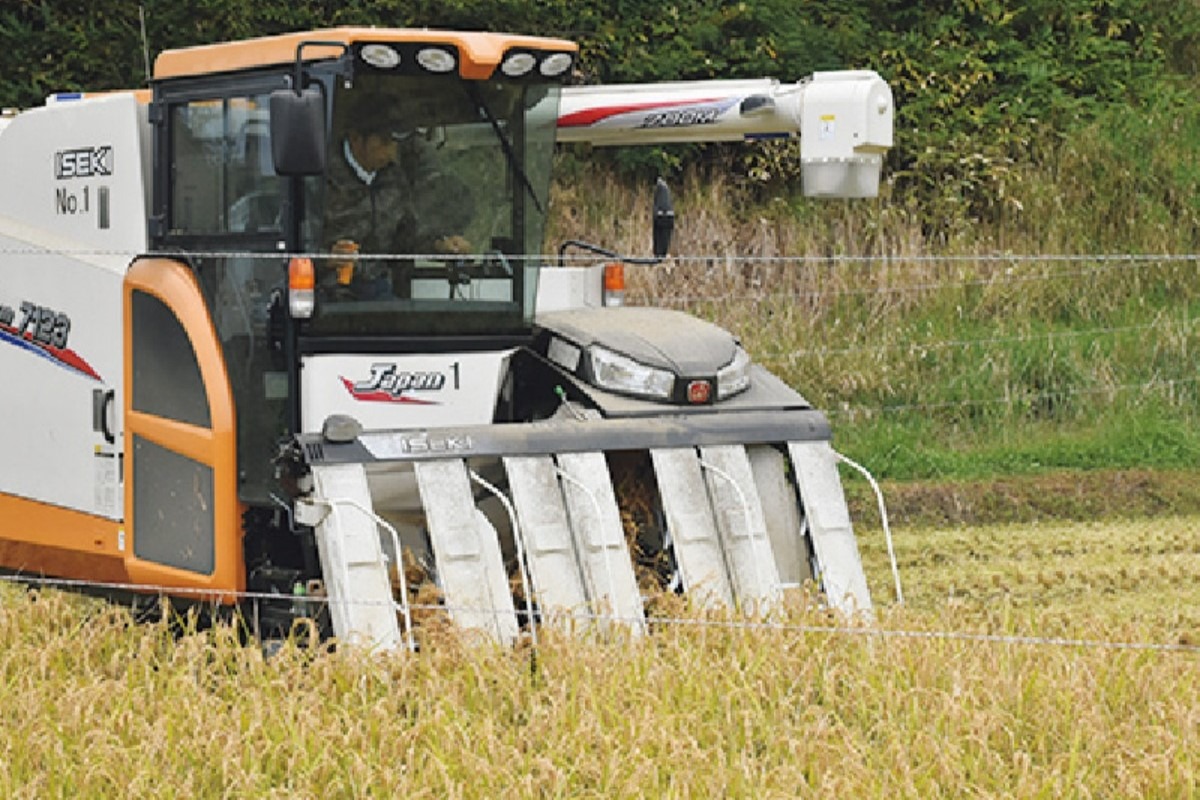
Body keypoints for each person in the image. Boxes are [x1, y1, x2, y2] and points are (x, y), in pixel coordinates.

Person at [320, 92, 472, 299]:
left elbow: (406, 239)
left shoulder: (393, 179)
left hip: (377, 290)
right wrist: (327, 258)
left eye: (395, 144)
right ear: (356, 138)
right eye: (384, 142)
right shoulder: (318, 178)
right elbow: (285, 245)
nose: (390, 152)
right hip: (321, 294)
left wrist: (440, 245)